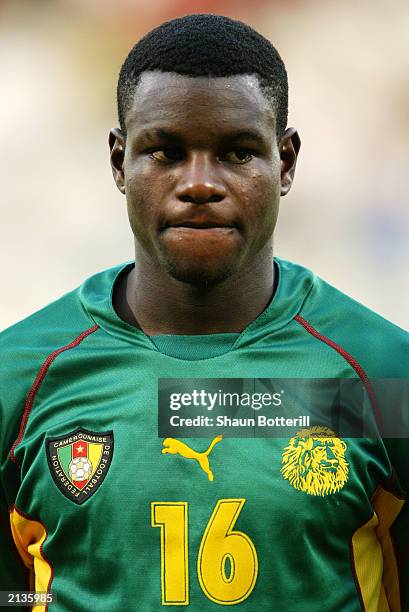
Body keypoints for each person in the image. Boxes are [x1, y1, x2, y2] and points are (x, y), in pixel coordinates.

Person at [0, 13, 408, 611]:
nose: (199, 184)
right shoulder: (20, 376)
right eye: (164, 152)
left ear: (286, 162)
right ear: (119, 162)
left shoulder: (383, 373)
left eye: (238, 153)